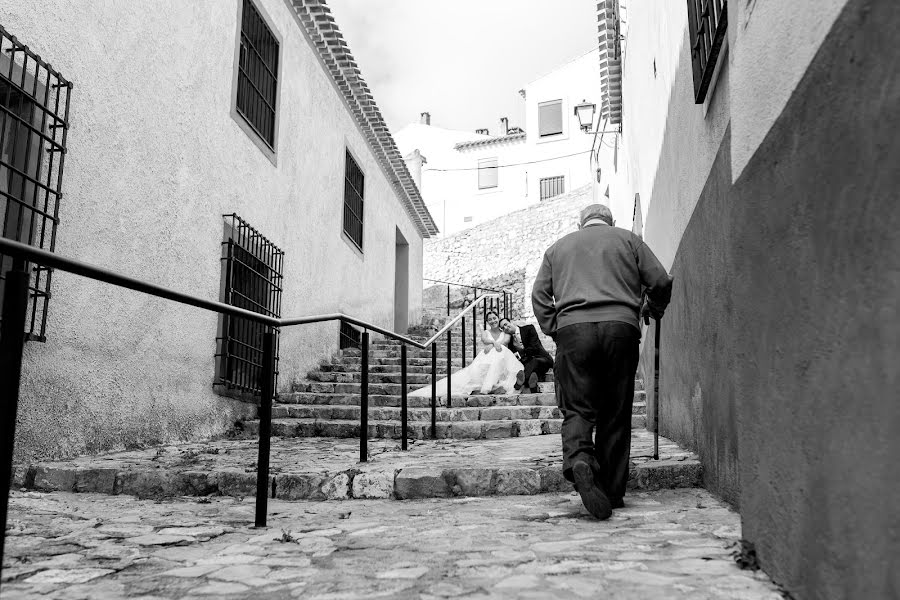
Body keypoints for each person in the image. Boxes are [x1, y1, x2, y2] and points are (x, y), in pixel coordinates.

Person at [532, 203, 672, 520]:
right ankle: (612, 490)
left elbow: (540, 295)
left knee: (578, 407)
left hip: (573, 331)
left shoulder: (557, 248)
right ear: (611, 221)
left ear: (581, 224)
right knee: (615, 410)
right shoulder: (627, 239)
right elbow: (661, 281)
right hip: (620, 329)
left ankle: (580, 459)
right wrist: (653, 307)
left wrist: (556, 329)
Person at [410, 310, 524, 397]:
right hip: (487, 358)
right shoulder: (486, 332)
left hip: (501, 357)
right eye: (490, 319)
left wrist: (492, 344)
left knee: (501, 352)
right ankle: (488, 385)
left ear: (498, 319)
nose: (493, 321)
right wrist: (493, 343)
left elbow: (503, 344)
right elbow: (484, 340)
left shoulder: (505, 333)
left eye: (494, 318)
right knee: (471, 374)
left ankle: (491, 385)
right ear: (487, 322)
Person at [499, 317, 553, 394]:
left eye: (505, 324)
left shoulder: (529, 328)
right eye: (502, 328)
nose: (505, 327)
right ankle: (533, 387)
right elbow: (515, 356)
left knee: (534, 362)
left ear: (511, 322)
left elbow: (534, 347)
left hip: (542, 359)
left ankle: (520, 383)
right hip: (529, 364)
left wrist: (522, 352)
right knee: (532, 373)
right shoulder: (510, 342)